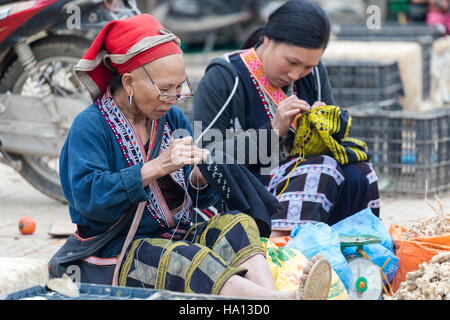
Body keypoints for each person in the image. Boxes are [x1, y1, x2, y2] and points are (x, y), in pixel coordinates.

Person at [48, 13, 332, 300]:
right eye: (164, 89)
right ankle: (283, 300)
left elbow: (195, 195)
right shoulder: (91, 126)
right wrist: (156, 167)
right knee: (189, 260)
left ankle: (268, 296)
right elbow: (87, 199)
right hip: (114, 251)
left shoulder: (171, 118)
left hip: (174, 237)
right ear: (130, 82)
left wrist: (199, 178)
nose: (173, 98)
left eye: (179, 88)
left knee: (237, 224)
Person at [193, 0, 381, 237]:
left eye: (307, 67)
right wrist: (273, 131)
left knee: (359, 172)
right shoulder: (224, 77)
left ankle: (355, 249)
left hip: (311, 183)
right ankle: (277, 252)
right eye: (292, 62)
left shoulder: (314, 74)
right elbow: (205, 159)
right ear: (268, 40)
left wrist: (325, 125)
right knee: (321, 168)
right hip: (244, 195)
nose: (296, 74)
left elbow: (333, 146)